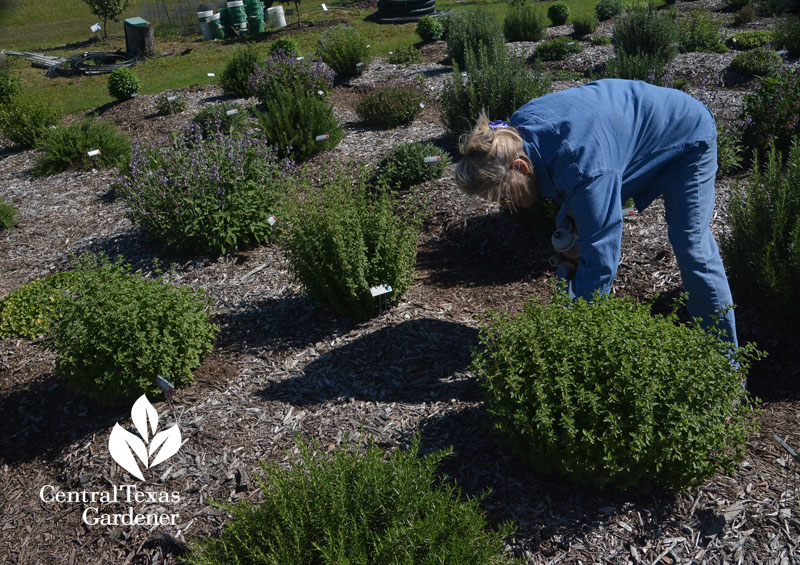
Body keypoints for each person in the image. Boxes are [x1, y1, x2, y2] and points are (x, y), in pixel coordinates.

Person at [454, 78, 738, 348]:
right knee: (570, 232)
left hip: (686, 136)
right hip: (618, 146)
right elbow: (579, 173)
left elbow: (602, 262)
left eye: (502, 195)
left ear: (521, 167)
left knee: (692, 246)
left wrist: (579, 337)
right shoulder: (514, 135)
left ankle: (727, 368)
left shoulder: (584, 169)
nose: (504, 206)